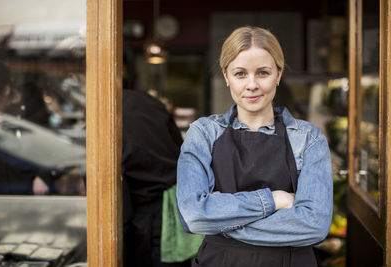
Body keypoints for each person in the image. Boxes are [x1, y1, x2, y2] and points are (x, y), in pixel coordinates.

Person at [176, 26, 333, 267]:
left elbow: (314, 226)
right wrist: (274, 200)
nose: (252, 85)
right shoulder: (203, 133)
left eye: (263, 73)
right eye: (240, 73)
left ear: (278, 75)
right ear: (226, 76)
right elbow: (194, 216)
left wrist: (223, 221)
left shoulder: (308, 138)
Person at [122, 89, 191, 267]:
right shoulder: (148, 101)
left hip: (148, 210)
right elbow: (179, 147)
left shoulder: (107, 108)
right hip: (175, 199)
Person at [0, 58, 52, 195]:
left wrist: (42, 176)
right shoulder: (23, 117)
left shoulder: (24, 117)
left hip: (24, 201)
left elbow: (46, 152)